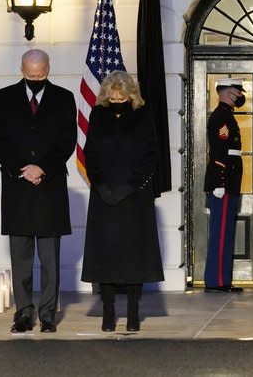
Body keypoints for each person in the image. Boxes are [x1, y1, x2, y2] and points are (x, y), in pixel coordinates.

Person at [0, 49, 77, 333]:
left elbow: (67, 141)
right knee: (21, 257)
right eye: (30, 75)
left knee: (50, 259)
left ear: (48, 69)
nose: (35, 80)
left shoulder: (64, 98)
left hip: (49, 186)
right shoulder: (4, 97)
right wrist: (21, 169)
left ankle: (48, 314)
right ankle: (23, 313)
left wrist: (42, 169)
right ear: (21, 69)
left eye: (39, 75)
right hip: (17, 187)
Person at [81, 71, 164, 332]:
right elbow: (90, 153)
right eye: (113, 96)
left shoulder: (142, 115)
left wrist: (130, 187)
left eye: (122, 95)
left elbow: (151, 154)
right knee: (106, 258)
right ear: (107, 95)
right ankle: (107, 311)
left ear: (131, 95)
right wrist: (100, 185)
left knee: (133, 258)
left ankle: (133, 312)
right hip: (104, 197)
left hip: (134, 197)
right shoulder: (98, 115)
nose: (117, 99)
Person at [203, 78, 246, 292]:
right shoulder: (221, 116)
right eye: (235, 91)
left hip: (229, 182)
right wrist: (220, 182)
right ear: (225, 92)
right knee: (220, 233)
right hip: (223, 182)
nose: (238, 95)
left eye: (238, 92)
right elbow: (219, 151)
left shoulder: (227, 115)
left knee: (226, 233)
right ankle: (216, 281)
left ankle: (223, 280)